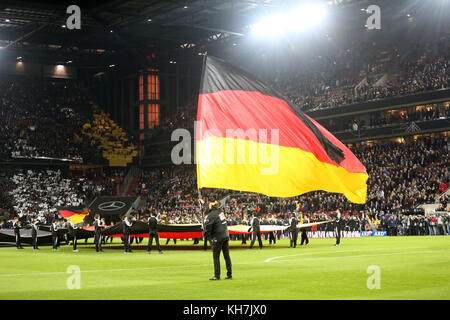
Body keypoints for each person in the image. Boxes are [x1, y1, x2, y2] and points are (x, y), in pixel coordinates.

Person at [204, 201, 232, 281]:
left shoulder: (211, 215)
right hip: (225, 235)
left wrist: (204, 230)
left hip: (218, 237)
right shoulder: (220, 212)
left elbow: (208, 228)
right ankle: (229, 274)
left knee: (216, 257)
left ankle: (217, 275)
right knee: (226, 256)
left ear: (211, 206)